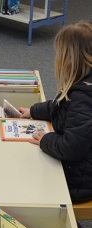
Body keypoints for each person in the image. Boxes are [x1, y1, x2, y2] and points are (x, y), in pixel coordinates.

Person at [19, 20, 92, 204]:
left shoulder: (83, 98)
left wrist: (46, 140)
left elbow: (72, 147)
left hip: (79, 181)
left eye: (60, 53)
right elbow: (59, 106)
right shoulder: (82, 86)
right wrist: (33, 111)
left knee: (27, 175)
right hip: (80, 167)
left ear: (69, 60)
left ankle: (65, 222)